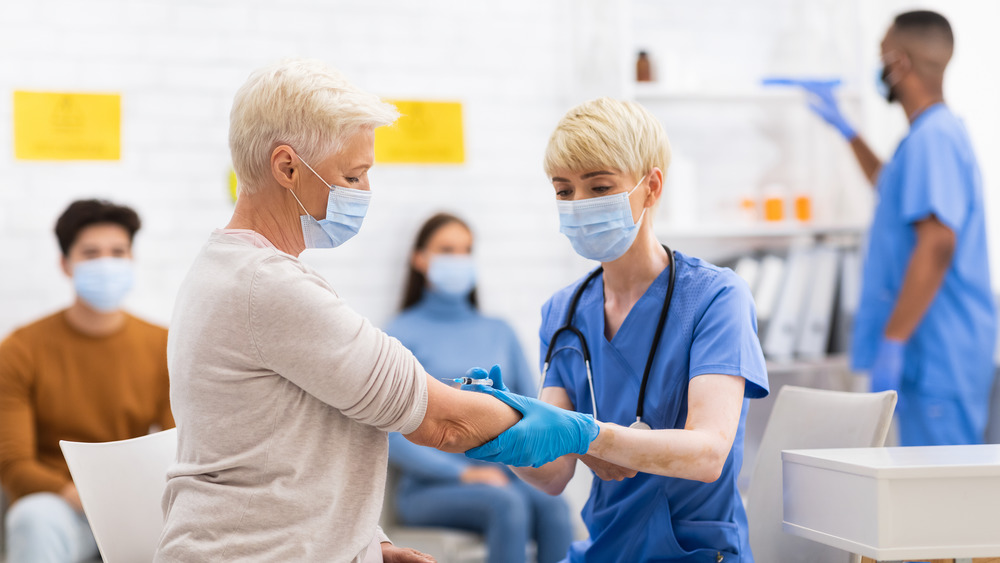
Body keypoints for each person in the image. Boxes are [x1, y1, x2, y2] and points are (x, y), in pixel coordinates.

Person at [155, 59, 600, 563]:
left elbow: (279, 451)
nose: (364, 192)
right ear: (287, 167)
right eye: (353, 175)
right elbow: (443, 424)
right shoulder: (268, 287)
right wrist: (589, 432)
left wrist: (368, 544)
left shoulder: (225, 269)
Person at [464, 98, 769, 561]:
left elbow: (708, 455)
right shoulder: (564, 313)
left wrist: (585, 434)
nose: (579, 204)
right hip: (604, 549)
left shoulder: (715, 298)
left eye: (599, 186)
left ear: (651, 187)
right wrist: (495, 430)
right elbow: (554, 474)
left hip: (694, 552)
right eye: (563, 191)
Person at [784, 10, 996, 446]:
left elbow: (937, 244)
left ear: (900, 64)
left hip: (936, 352)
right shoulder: (926, 137)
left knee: (945, 497)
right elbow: (890, 183)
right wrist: (847, 130)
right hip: (936, 350)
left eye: (882, 56)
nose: (879, 69)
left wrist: (894, 340)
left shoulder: (933, 139)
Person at [385, 213, 573, 563]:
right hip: (427, 489)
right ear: (420, 259)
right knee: (507, 505)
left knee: (554, 507)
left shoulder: (499, 331)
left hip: (504, 479)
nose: (459, 259)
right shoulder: (398, 334)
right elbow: (391, 435)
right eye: (447, 249)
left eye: (466, 250)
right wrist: (464, 473)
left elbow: (530, 412)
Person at [0, 199, 173, 563]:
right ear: (66, 264)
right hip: (62, 509)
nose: (106, 263)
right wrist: (82, 497)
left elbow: (180, 445)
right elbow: (13, 462)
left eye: (117, 252)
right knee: (32, 519)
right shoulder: (21, 348)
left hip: (137, 508)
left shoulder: (162, 344)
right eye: (91, 253)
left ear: (132, 260)